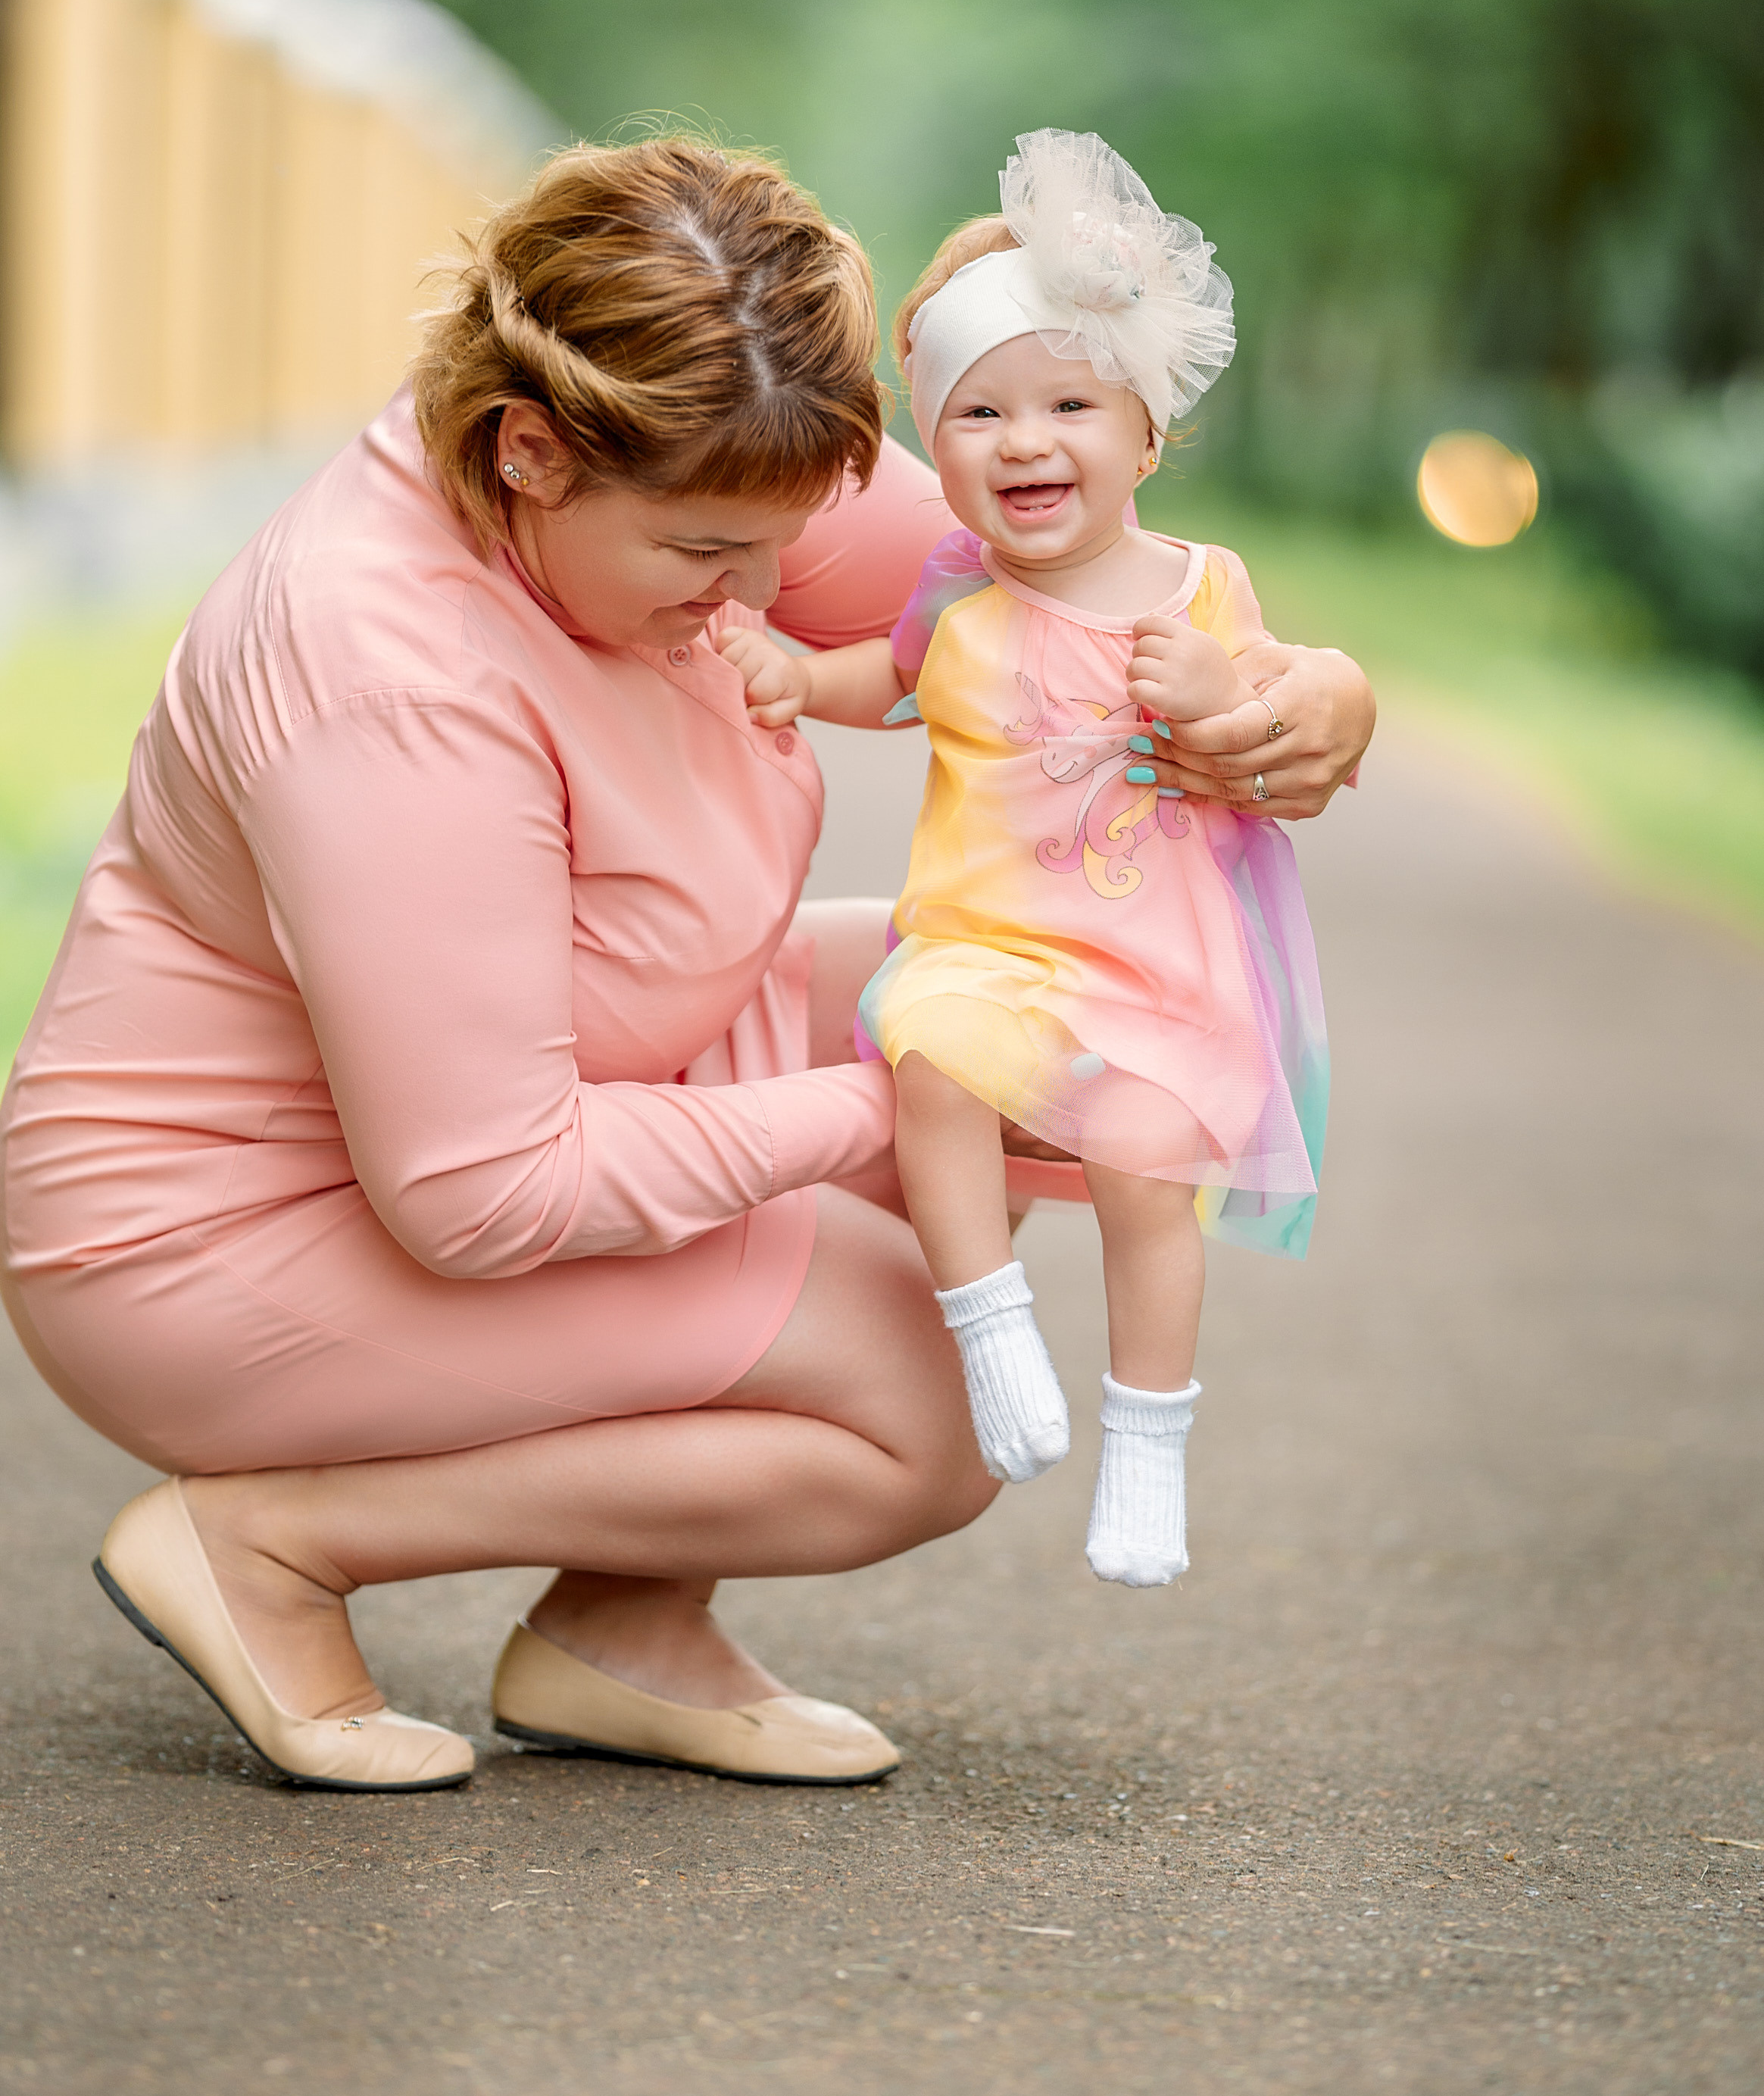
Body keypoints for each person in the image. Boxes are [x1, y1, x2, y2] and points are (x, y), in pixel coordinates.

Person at [0, 133, 1375, 1797]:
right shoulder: (392, 677)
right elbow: (481, 1190)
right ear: (529, 455)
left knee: (1062, 995)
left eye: (779, 541)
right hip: (227, 1232)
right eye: (713, 559)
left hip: (582, 1045)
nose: (766, 589)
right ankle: (272, 1544)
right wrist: (879, 1099)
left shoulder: (708, 459)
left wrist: (1313, 690)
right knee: (924, 1406)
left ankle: (622, 1629)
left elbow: (1078, 578)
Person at [712, 131, 1333, 1595]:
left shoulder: (1201, 589)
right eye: (978, 414)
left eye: (1069, 403)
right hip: (989, 945)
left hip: (1157, 964)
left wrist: (1214, 696)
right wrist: (801, 681)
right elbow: (894, 679)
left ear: (1145, 437)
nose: (1025, 440)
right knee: (928, 1064)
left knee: (1142, 1182)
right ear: (944, 451)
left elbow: (1271, 732)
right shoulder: (957, 594)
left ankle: (1149, 1438)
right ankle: (989, 1327)